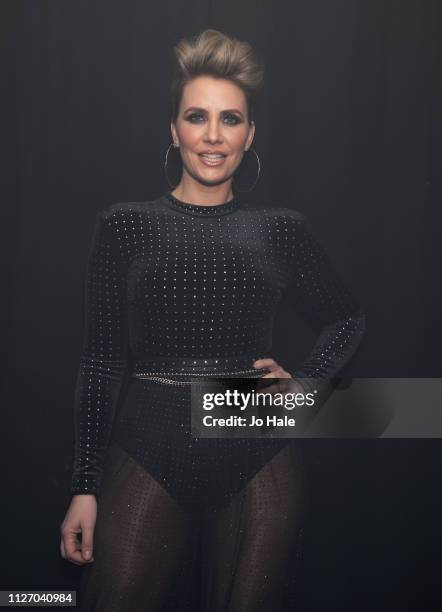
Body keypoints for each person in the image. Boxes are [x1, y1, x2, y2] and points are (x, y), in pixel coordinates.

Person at [59, 28, 365, 611]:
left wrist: (303, 387)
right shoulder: (124, 226)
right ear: (173, 131)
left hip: (254, 436)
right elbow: (99, 360)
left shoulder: (282, 229)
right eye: (197, 117)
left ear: (250, 136)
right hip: (149, 436)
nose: (213, 135)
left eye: (231, 120)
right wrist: (84, 486)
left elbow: (346, 318)